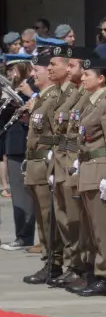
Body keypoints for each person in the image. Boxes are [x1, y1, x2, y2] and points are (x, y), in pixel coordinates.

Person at [72, 57, 106, 296]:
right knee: (92, 228)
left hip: (102, 170)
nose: (82, 78)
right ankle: (95, 272)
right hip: (88, 169)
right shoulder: (92, 102)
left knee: (105, 229)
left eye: (87, 75)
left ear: (101, 78)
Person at [47, 46, 95, 290]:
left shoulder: (87, 95)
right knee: (64, 217)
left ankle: (81, 266)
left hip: (74, 161)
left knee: (76, 219)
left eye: (74, 66)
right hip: (61, 160)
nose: (73, 70)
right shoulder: (69, 95)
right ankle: (72, 264)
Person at [21, 46, 67, 284]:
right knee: (41, 216)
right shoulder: (41, 99)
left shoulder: (54, 98)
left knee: (49, 216)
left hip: (45, 162)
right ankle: (48, 258)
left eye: (37, 69)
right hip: (35, 164)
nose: (34, 74)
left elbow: (58, 133)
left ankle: (55, 262)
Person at [0, 55, 36, 250]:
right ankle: (22, 235)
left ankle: (25, 236)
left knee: (27, 195)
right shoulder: (14, 88)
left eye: (13, 69)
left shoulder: (32, 86)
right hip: (13, 144)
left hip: (28, 144)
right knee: (18, 194)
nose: (10, 74)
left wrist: (29, 95)